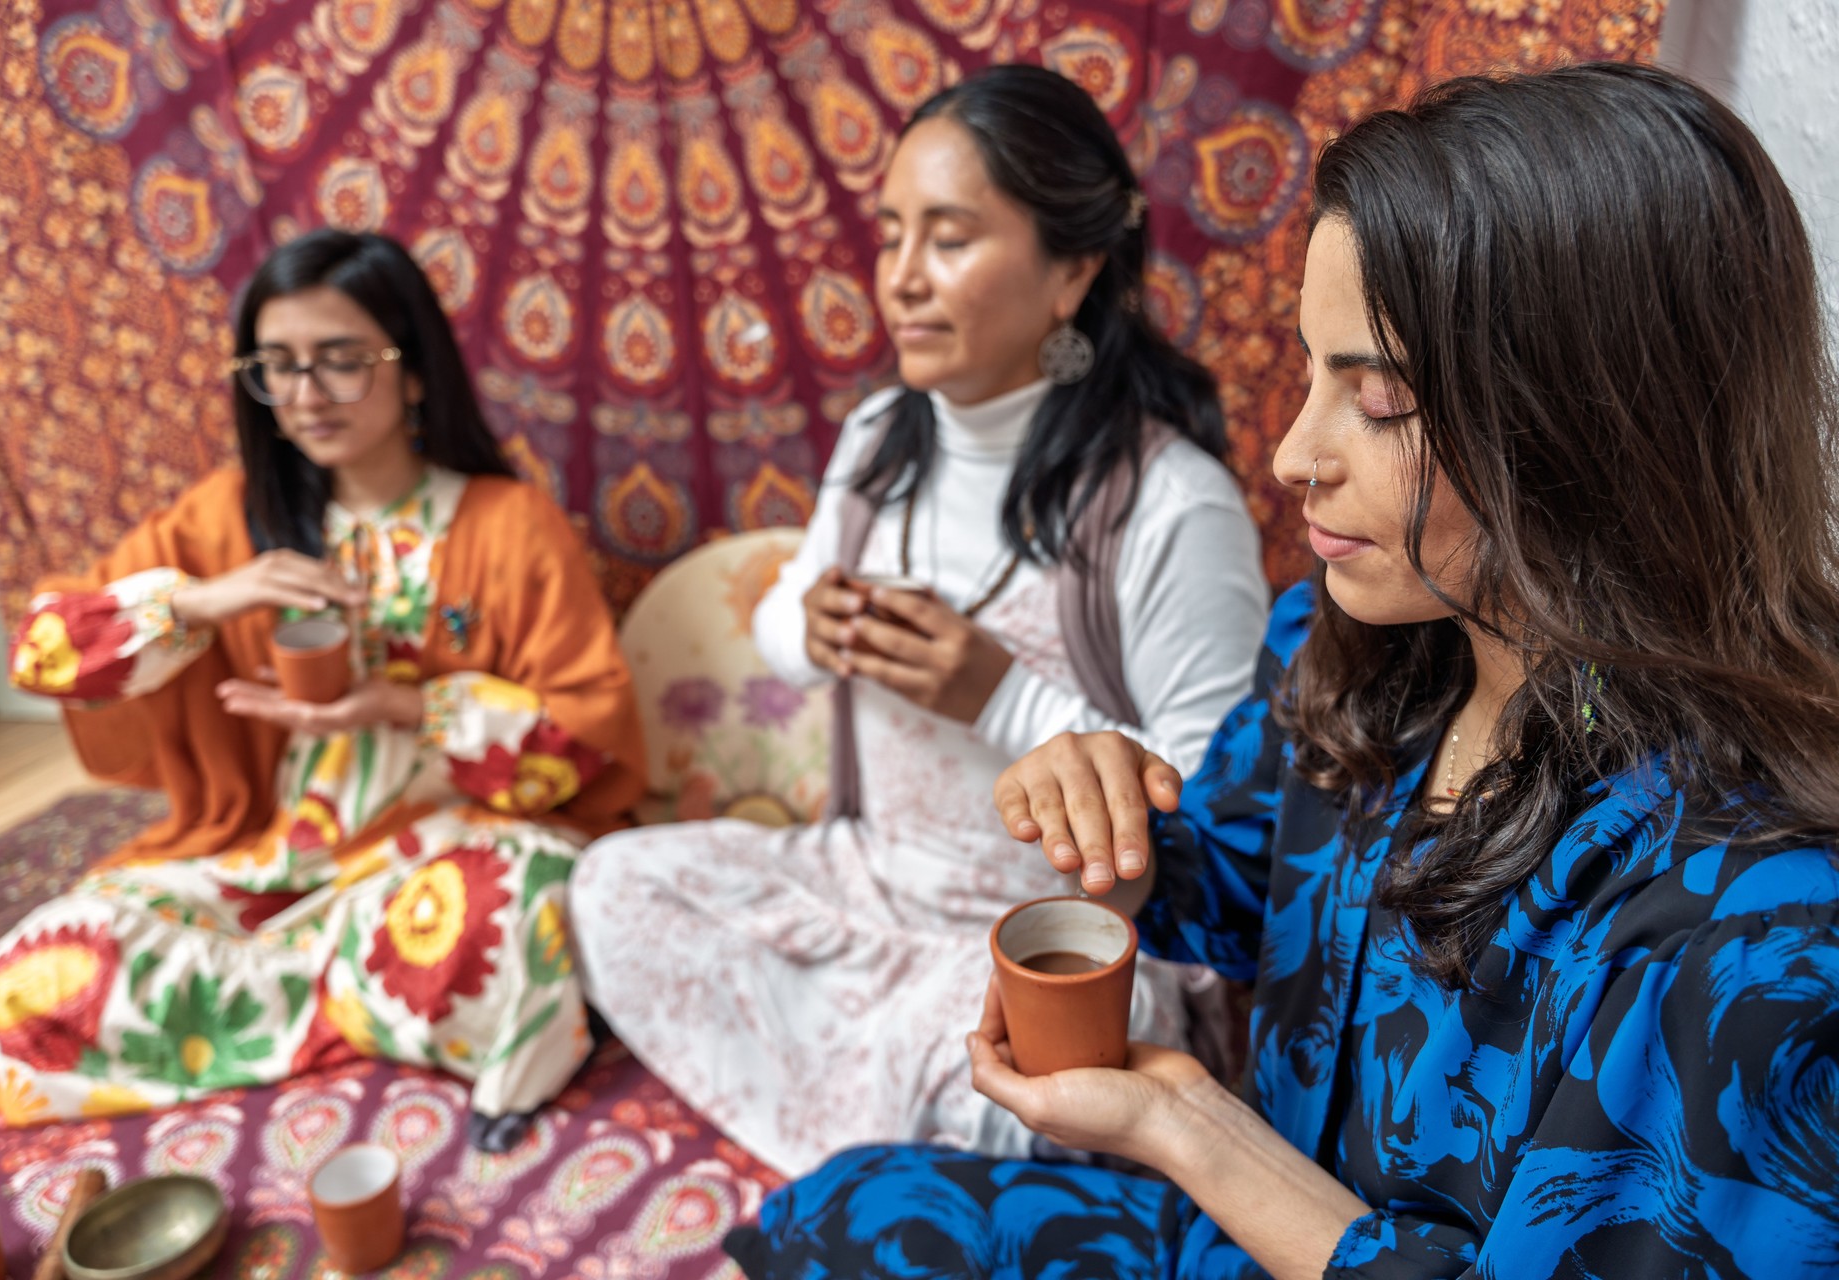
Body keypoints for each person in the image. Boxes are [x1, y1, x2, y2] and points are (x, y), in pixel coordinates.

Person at [726, 62, 1839, 1277]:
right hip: (1229, 1232)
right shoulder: (1350, 646)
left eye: (1381, 397)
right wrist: (1117, 827)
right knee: (845, 1210)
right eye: (1311, 375)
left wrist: (1191, 1126)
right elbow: (1243, 881)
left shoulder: (1757, 936)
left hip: (1284, 1220)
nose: (1293, 457)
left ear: (1588, 419)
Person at [569, 64, 1268, 1176]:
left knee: (1018, 1089)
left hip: (1055, 945)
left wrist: (996, 692)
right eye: (891, 236)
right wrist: (819, 626)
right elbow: (781, 625)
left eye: (947, 238)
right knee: (612, 887)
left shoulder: (1173, 502)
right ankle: (894, 1151)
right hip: (871, 875)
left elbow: (1227, 813)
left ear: (1072, 269)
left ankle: (902, 1145)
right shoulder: (886, 431)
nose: (899, 279)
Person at [0, 230, 645, 1153]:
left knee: (517, 901)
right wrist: (202, 600)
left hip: (437, 859)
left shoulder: (508, 523)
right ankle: (372, 1008)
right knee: (22, 987)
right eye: (278, 368)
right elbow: (46, 653)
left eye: (341, 362)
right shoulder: (230, 520)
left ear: (414, 373)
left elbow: (584, 743)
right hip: (263, 867)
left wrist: (401, 706)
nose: (308, 396)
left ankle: (282, 1004)